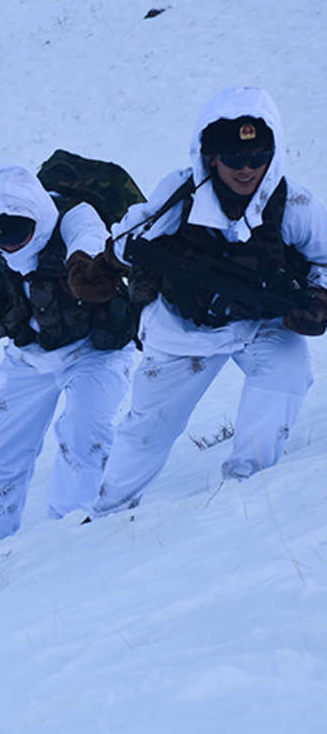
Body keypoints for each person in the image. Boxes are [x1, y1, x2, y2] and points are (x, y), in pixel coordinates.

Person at [67, 86, 327, 516]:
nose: (246, 170)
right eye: (234, 159)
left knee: (287, 374)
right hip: (183, 328)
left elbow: (324, 259)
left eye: (257, 158)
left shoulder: (295, 204)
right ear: (210, 156)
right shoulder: (181, 192)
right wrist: (106, 265)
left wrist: (318, 298)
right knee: (148, 429)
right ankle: (108, 512)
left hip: (263, 323)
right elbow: (138, 233)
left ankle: (247, 491)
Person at [0, 165, 136, 543]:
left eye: (16, 234)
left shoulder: (74, 217)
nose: (8, 244)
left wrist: (86, 267)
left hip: (94, 352)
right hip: (28, 356)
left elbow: (87, 238)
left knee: (84, 434)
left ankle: (73, 531)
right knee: (1, 454)